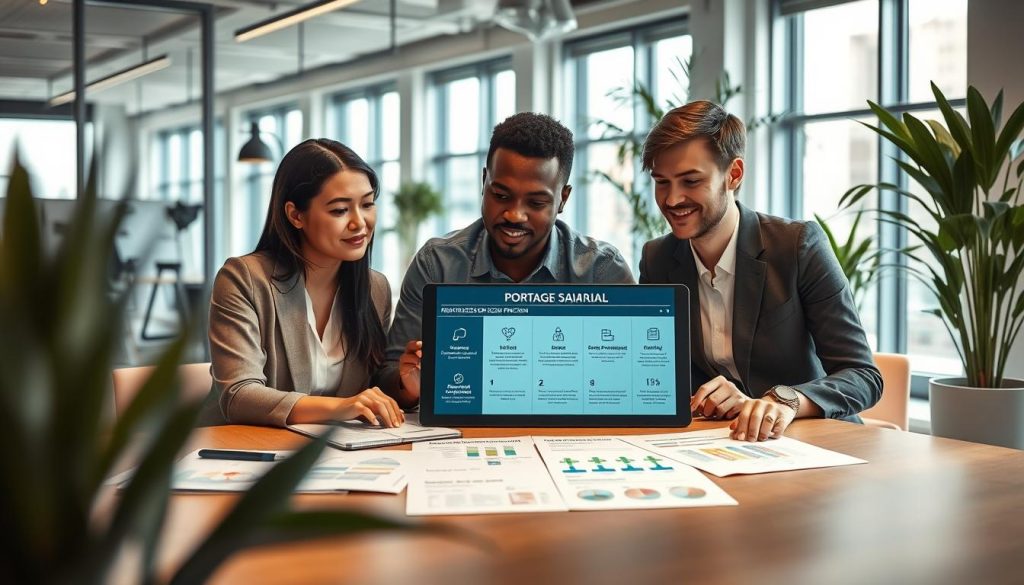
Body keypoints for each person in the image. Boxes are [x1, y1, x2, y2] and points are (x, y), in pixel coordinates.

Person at [637, 101, 881, 442]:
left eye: (690, 181)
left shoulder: (797, 246)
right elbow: (658, 374)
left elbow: (863, 376)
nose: (673, 199)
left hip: (815, 441)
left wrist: (784, 401)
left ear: (733, 175)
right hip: (721, 442)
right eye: (662, 182)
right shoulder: (657, 259)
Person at [380, 112, 636, 404]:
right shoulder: (436, 263)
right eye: (501, 196)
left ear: (563, 199)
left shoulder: (600, 269)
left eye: (536, 202)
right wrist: (409, 385)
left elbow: (628, 377)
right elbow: (389, 371)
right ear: (483, 181)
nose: (514, 215)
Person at [209, 139, 404, 428]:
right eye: (340, 210)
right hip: (255, 454)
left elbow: (372, 385)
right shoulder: (244, 279)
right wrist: (341, 407)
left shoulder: (376, 288)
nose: (360, 223)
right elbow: (239, 395)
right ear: (295, 215)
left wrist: (406, 382)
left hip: (342, 454)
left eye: (367, 204)